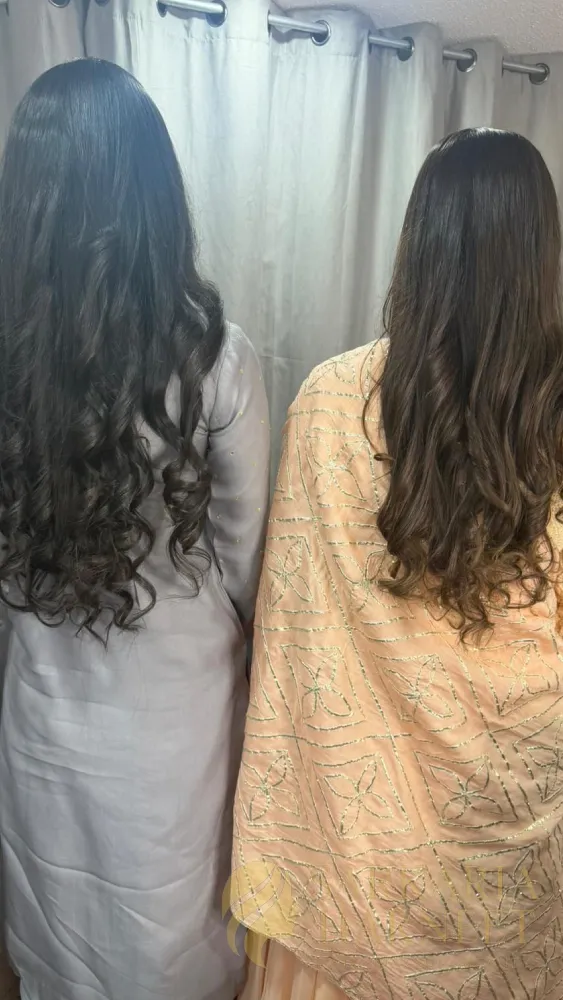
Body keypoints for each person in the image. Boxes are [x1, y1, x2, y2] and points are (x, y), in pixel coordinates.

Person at [231, 129, 563, 1000]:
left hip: (351, 857)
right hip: (512, 858)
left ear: (417, 244)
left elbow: (290, 639)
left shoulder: (328, 400)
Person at [0, 59, 269, 1000]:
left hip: (43, 716)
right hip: (172, 733)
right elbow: (248, 565)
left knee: (58, 937)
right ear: (153, 195)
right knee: (168, 943)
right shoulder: (215, 359)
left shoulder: (12, 360)